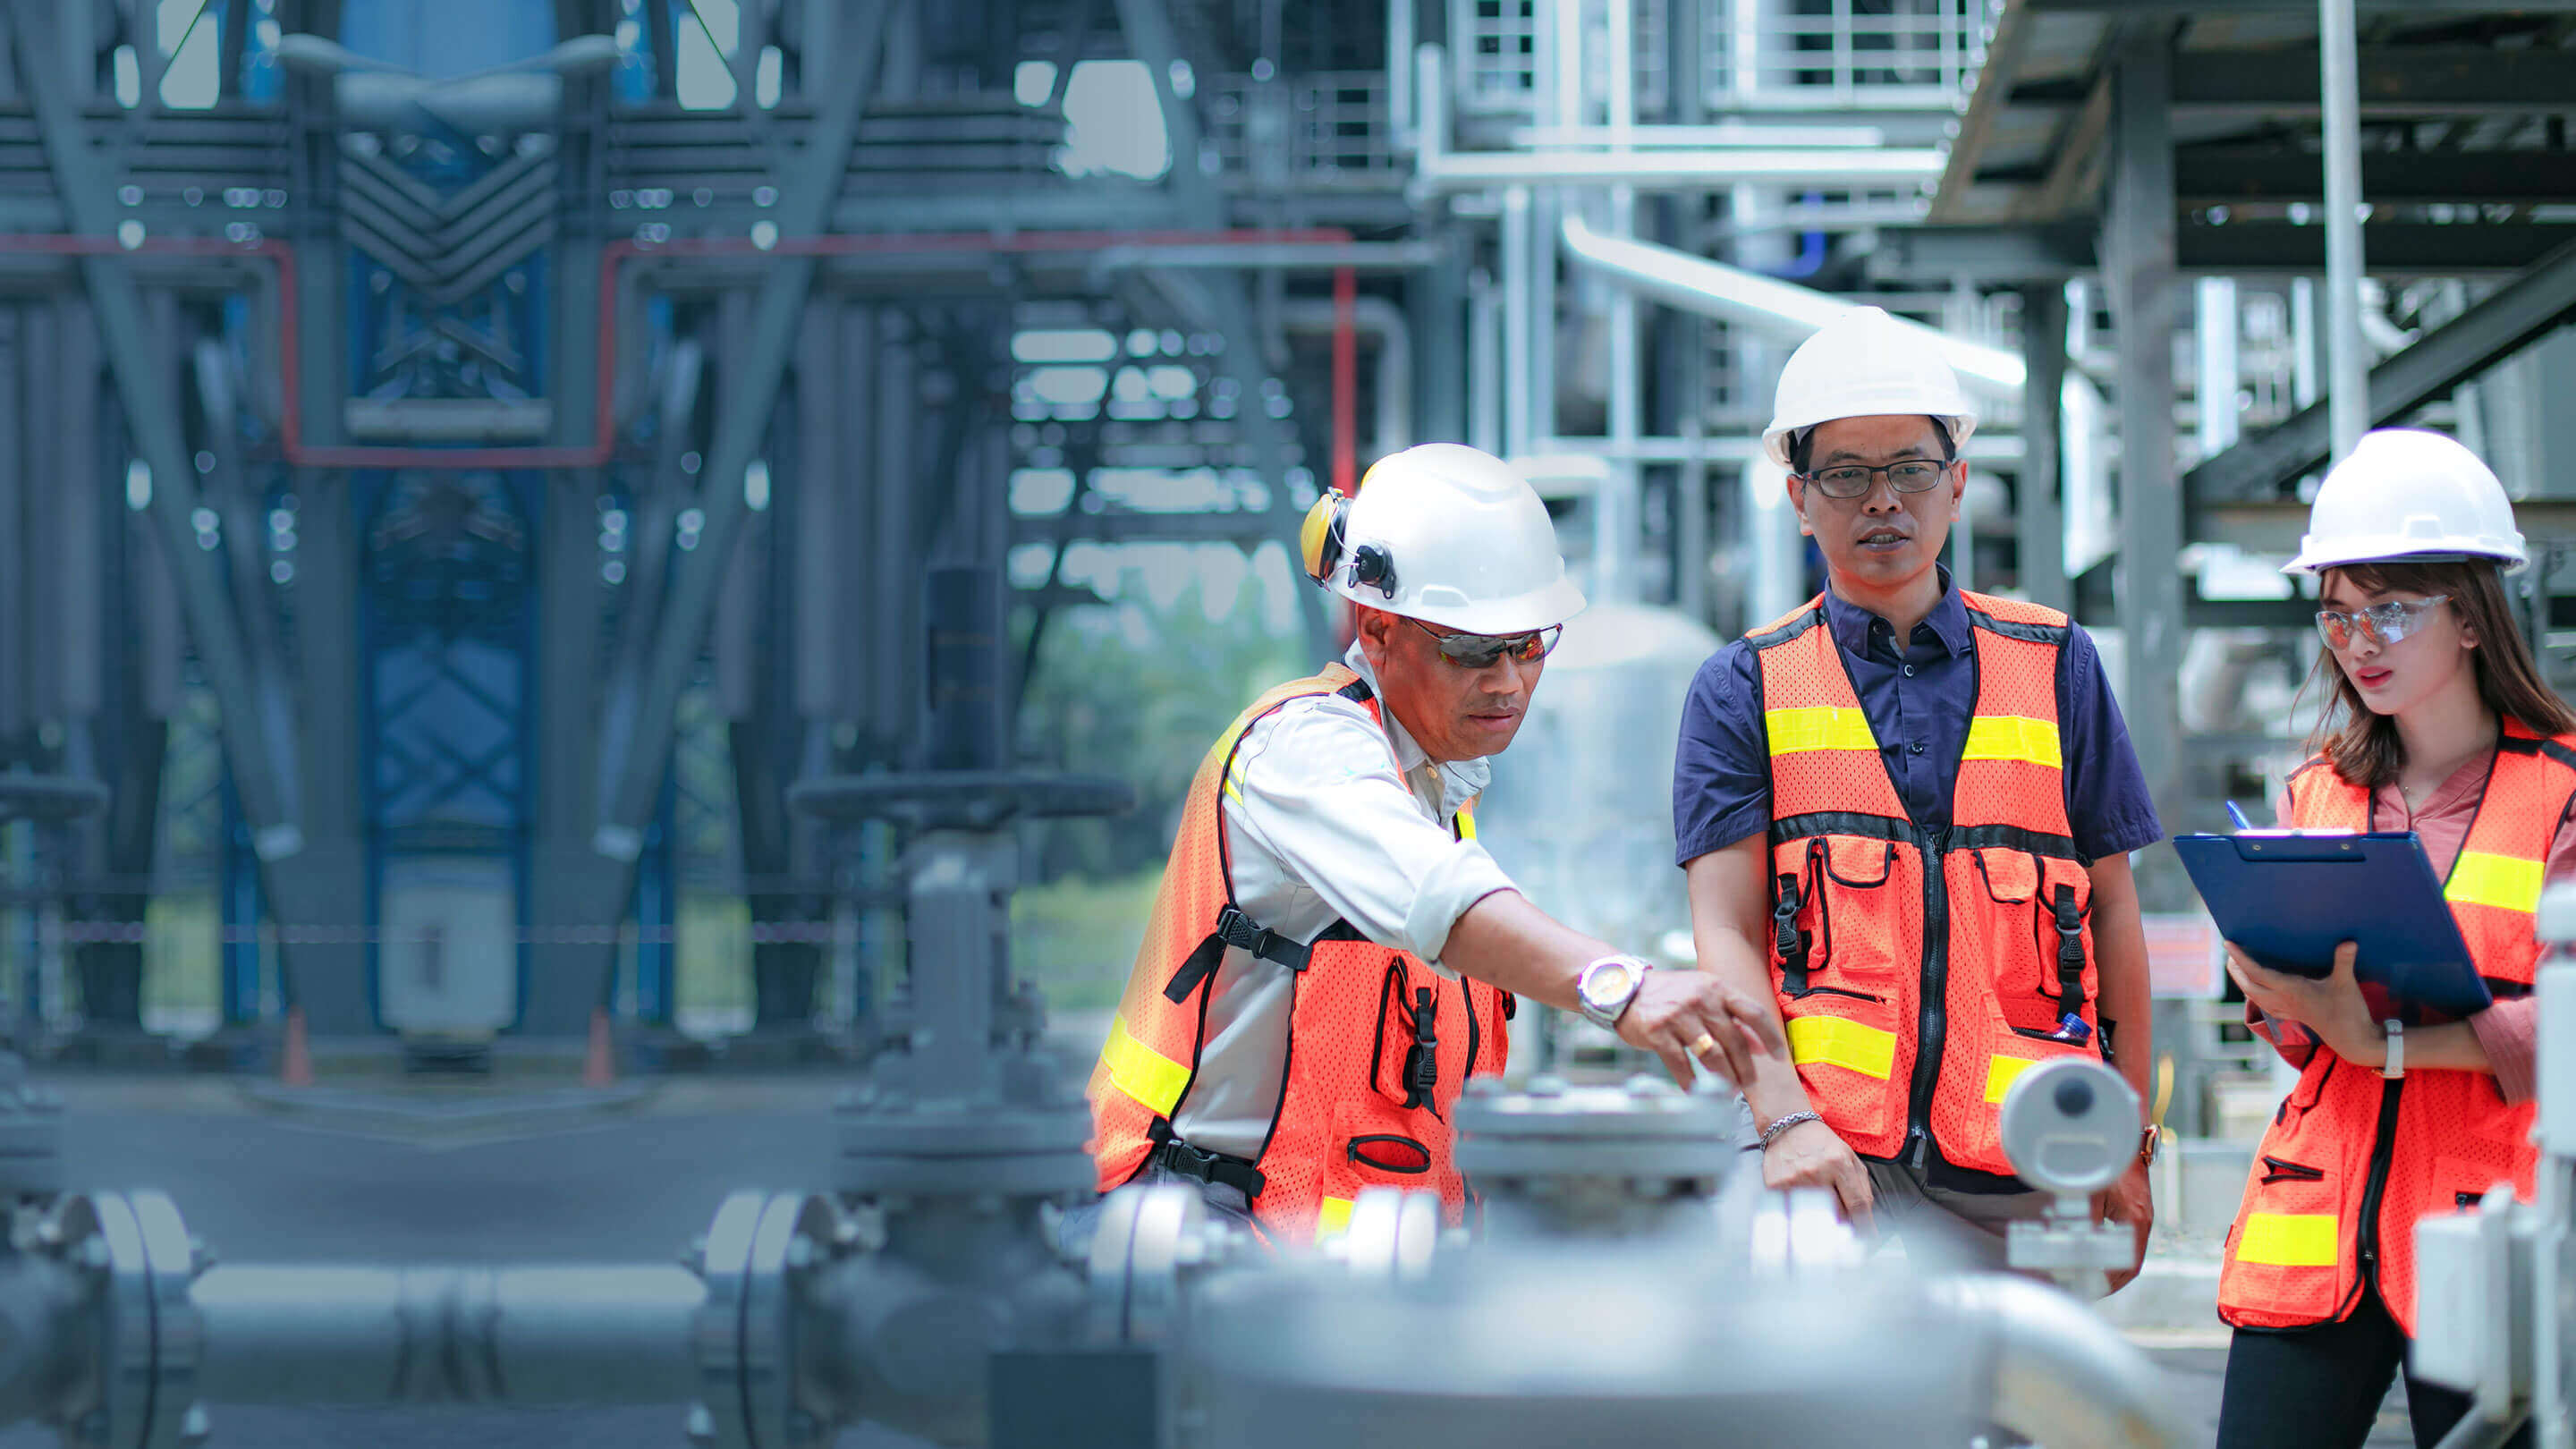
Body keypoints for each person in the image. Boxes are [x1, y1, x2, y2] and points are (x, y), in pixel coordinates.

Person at [1087, 443, 1780, 1245]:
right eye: (1473, 650)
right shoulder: (1305, 751)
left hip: (1334, 1249)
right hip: (1196, 1232)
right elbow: (1439, 897)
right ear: (1378, 631)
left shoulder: (1434, 780)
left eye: (1531, 645)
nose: (1510, 682)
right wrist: (1620, 987)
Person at [1672, 306, 2158, 1284]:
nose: (1882, 500)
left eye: (1910, 470)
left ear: (1959, 483)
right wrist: (1783, 1120)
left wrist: (2130, 1140)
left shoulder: (2057, 662)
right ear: (1800, 498)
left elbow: (2112, 914)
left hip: (2022, 1161)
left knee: (2013, 1421)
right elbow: (1724, 934)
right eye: (1846, 474)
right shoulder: (1743, 685)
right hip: (1824, 1158)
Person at [2214, 429, 2570, 1449]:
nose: (2357, 641)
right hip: (2317, 1222)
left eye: (2390, 611)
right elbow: (2294, 1043)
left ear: (2470, 617)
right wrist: (2274, 988)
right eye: (2337, 613)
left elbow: (2574, 1027)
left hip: (2486, 1230)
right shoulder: (2316, 793)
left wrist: (2388, 1046)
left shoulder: (2562, 795)